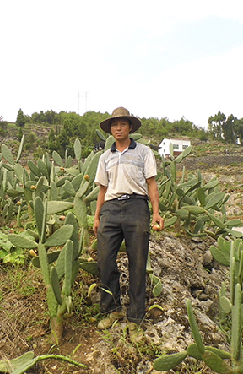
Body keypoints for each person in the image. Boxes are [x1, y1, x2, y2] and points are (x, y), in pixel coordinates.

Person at [93, 106, 164, 343]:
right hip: (111, 209)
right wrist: (97, 216)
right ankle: (113, 309)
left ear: (130, 127)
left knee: (137, 263)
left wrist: (156, 212)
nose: (118, 128)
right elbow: (102, 189)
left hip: (136, 207)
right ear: (110, 130)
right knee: (104, 260)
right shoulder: (105, 157)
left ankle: (135, 319)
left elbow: (151, 183)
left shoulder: (143, 152)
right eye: (114, 125)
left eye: (122, 124)